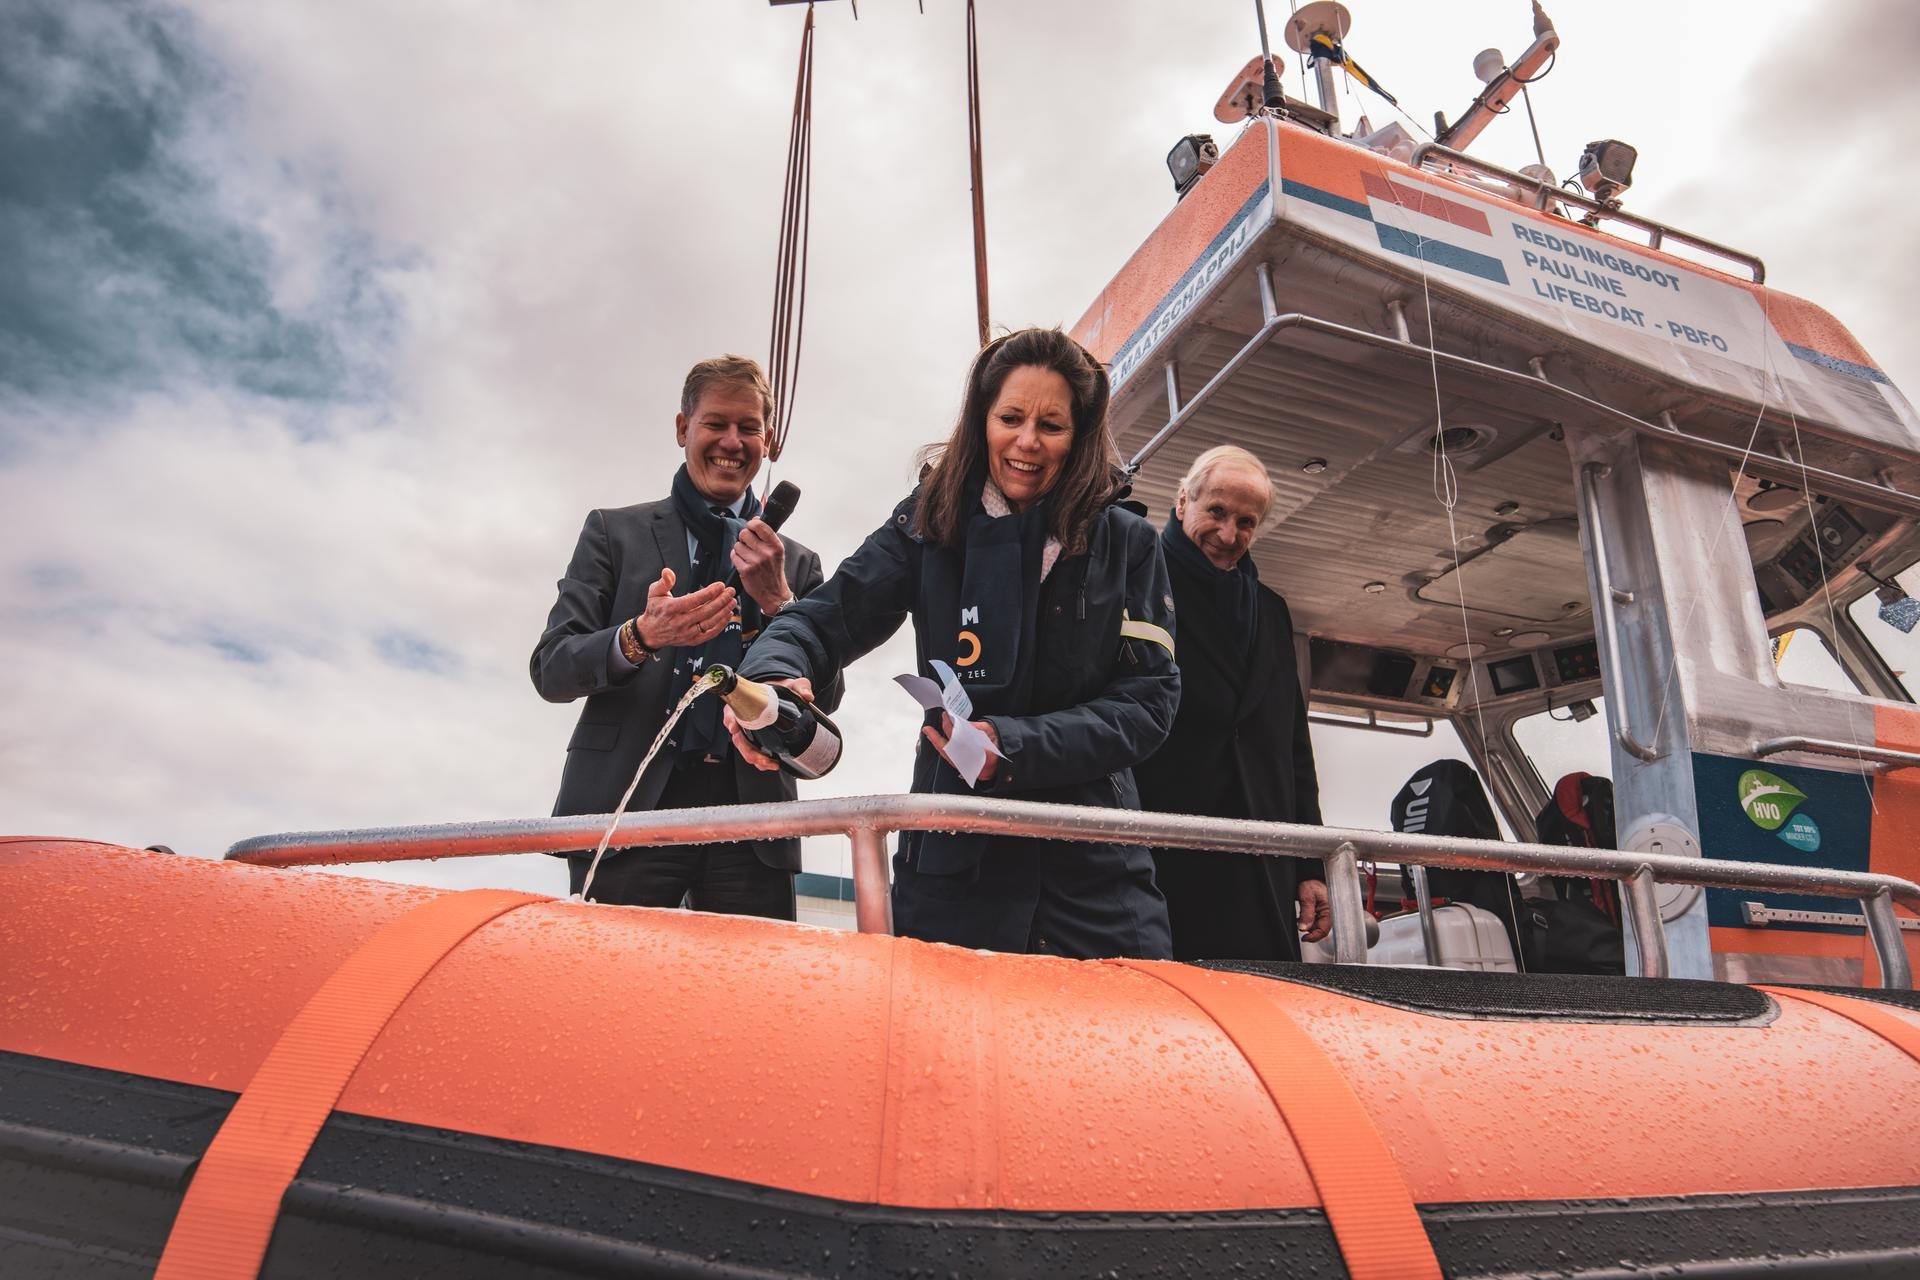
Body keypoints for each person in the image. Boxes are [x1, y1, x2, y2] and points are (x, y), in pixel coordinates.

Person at [731, 328, 1179, 959]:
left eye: (1051, 425)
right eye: (1010, 418)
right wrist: (775, 674)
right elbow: (820, 620)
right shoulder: (924, 525)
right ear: (981, 420)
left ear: (1079, 436)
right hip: (950, 879)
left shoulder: (1130, 543)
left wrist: (1012, 747)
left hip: (1095, 882)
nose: (1027, 441)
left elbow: (1149, 702)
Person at [530, 354, 836, 917]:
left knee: (752, 978)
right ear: (682, 429)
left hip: (753, 821)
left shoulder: (798, 564)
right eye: (715, 423)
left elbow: (828, 700)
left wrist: (780, 603)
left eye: (748, 428)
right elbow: (552, 669)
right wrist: (640, 635)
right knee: (609, 972)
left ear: (767, 442)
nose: (731, 441)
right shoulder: (612, 533)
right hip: (625, 812)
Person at [1133, 445, 1330, 961]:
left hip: (1262, 860)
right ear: (1182, 502)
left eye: (1246, 522)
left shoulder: (1272, 610)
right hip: (1162, 850)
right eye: (1216, 511)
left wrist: (1309, 863)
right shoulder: (1137, 581)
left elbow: (1292, 745)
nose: (1227, 534)